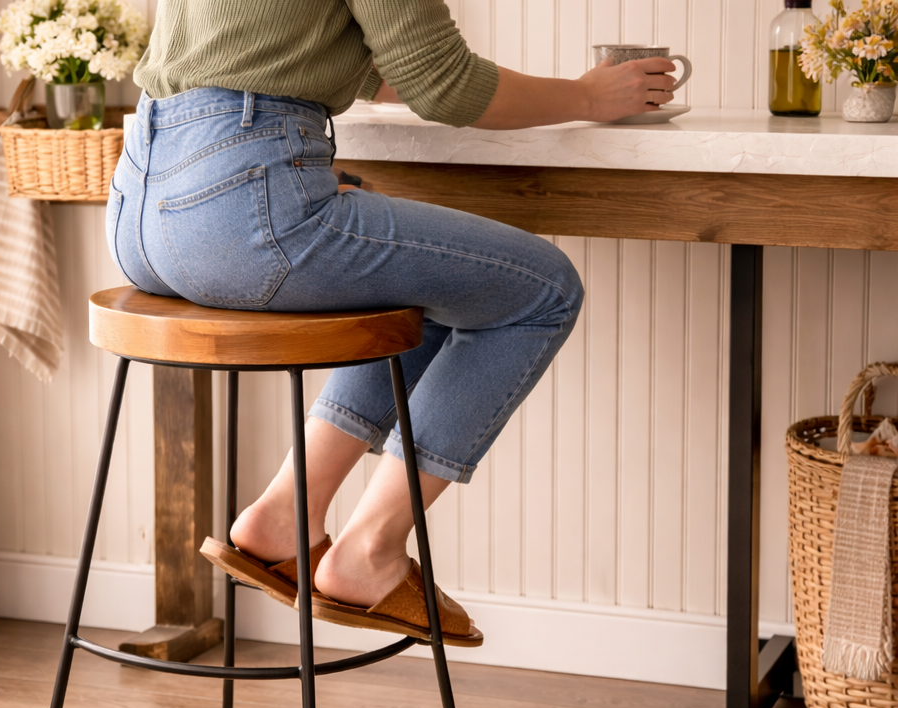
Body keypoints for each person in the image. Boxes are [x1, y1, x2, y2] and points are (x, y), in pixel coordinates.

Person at [108, 1, 677, 646]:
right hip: (240, 208)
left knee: (429, 282)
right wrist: (585, 96)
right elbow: (446, 86)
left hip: (140, 210)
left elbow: (297, 52)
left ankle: (283, 516)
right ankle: (372, 548)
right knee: (544, 291)